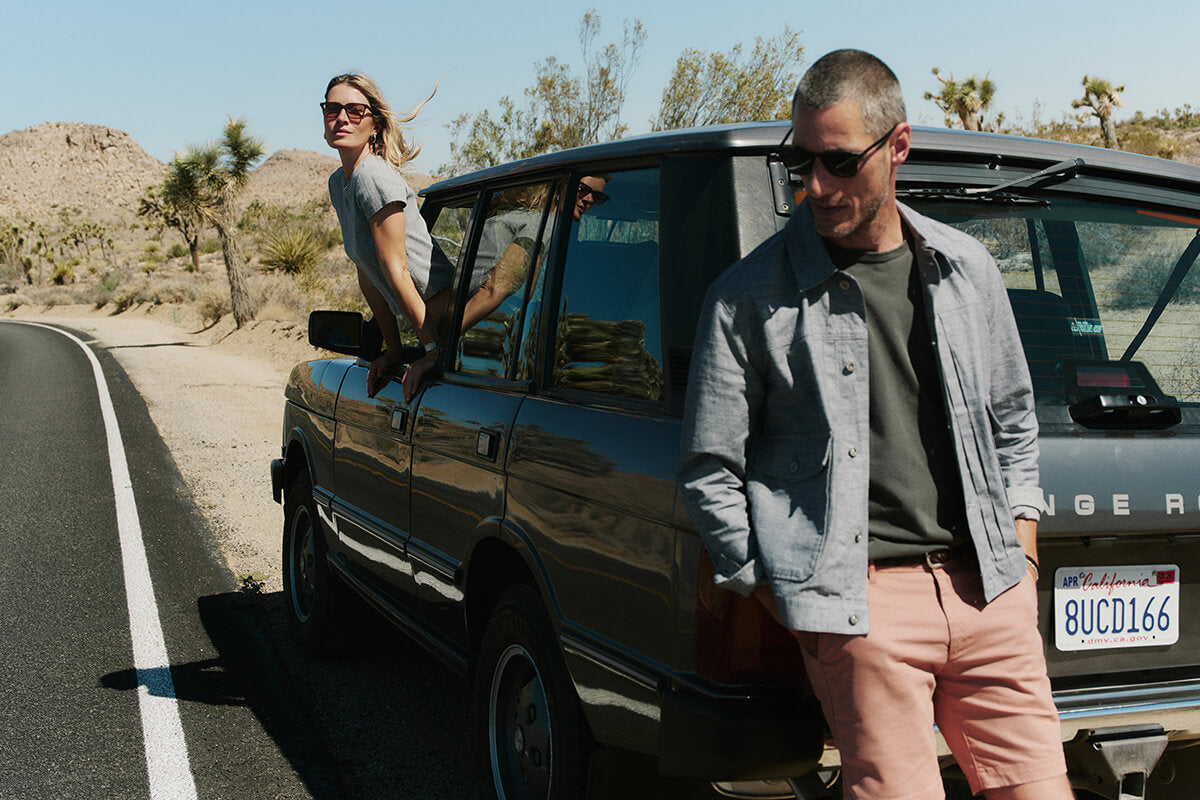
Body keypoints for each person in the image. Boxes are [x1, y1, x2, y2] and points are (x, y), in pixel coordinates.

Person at [678, 50, 1073, 800]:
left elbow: (1013, 419)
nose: (817, 187)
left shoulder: (965, 268)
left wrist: (1021, 558)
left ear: (897, 146)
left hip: (991, 592)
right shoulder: (747, 297)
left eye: (837, 162)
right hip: (861, 611)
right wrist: (786, 596)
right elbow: (709, 467)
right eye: (801, 163)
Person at [323, 72, 445, 399]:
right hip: (425, 322)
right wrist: (393, 350)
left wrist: (431, 351)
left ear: (374, 124)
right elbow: (367, 271)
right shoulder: (340, 183)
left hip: (449, 313)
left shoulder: (372, 177)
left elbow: (397, 271)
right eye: (332, 110)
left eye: (355, 110)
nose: (342, 118)